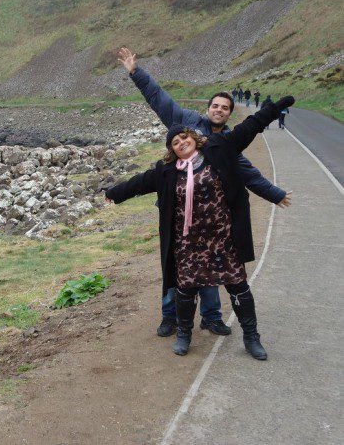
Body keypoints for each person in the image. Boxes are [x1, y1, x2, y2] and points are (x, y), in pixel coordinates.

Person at [117, 47, 291, 337]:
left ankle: (211, 317)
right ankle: (170, 316)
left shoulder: (227, 145)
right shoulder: (185, 122)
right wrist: (136, 72)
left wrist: (275, 194)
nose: (219, 110)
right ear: (208, 108)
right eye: (216, 106)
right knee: (175, 266)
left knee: (210, 269)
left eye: (225, 108)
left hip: (210, 224)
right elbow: (158, 99)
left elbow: (250, 174)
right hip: (178, 216)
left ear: (229, 114)